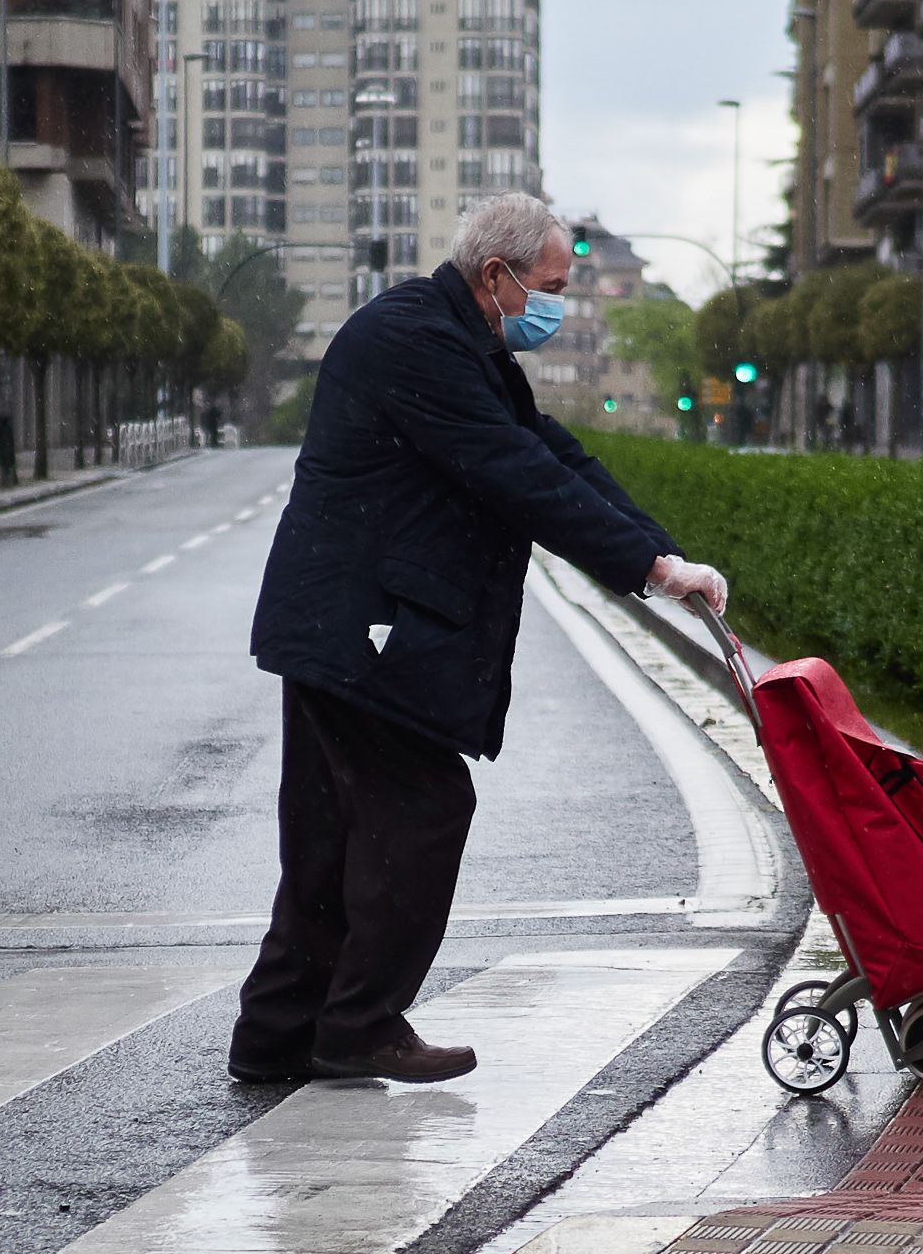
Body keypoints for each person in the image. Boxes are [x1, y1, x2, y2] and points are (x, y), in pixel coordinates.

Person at [235, 196, 730, 1085]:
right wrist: (652, 573)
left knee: (330, 834)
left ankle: (278, 1033)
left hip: (338, 621)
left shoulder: (464, 340)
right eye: (551, 287)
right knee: (420, 812)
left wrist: (662, 554)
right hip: (361, 627)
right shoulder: (415, 340)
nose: (559, 307)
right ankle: (357, 1025)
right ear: (495, 276)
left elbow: (549, 450)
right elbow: (511, 474)